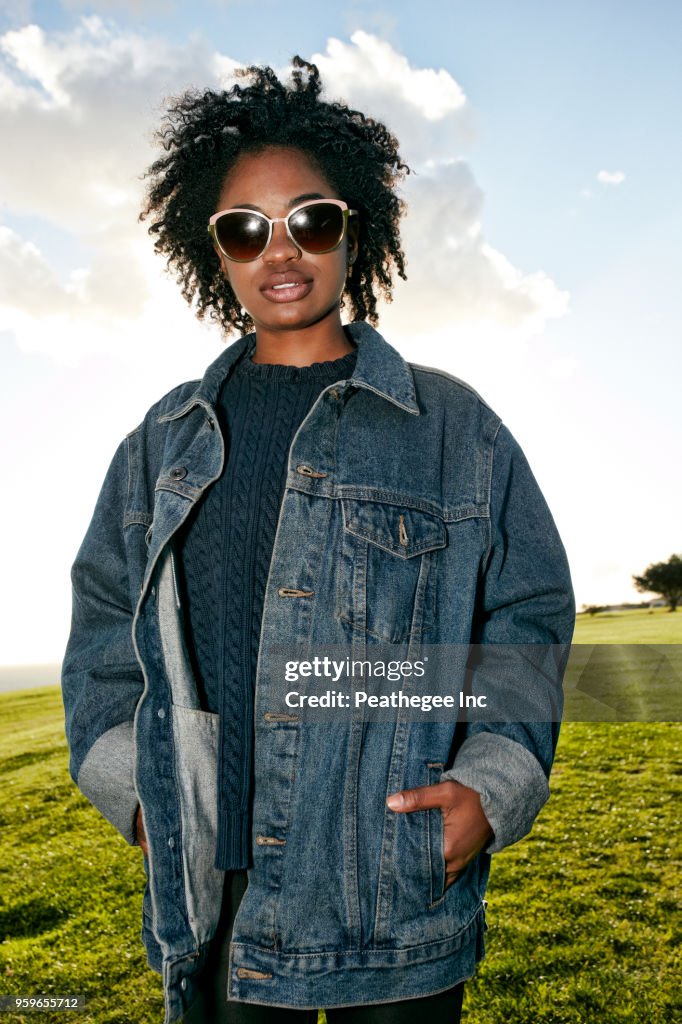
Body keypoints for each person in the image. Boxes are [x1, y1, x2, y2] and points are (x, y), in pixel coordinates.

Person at [61, 57, 575, 1024]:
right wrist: (140, 796)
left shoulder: (451, 426)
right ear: (213, 252)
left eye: (312, 220)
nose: (281, 251)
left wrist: (491, 784)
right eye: (245, 230)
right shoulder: (160, 443)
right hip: (218, 909)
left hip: (395, 907)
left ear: (353, 232)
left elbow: (529, 612)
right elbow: (102, 633)